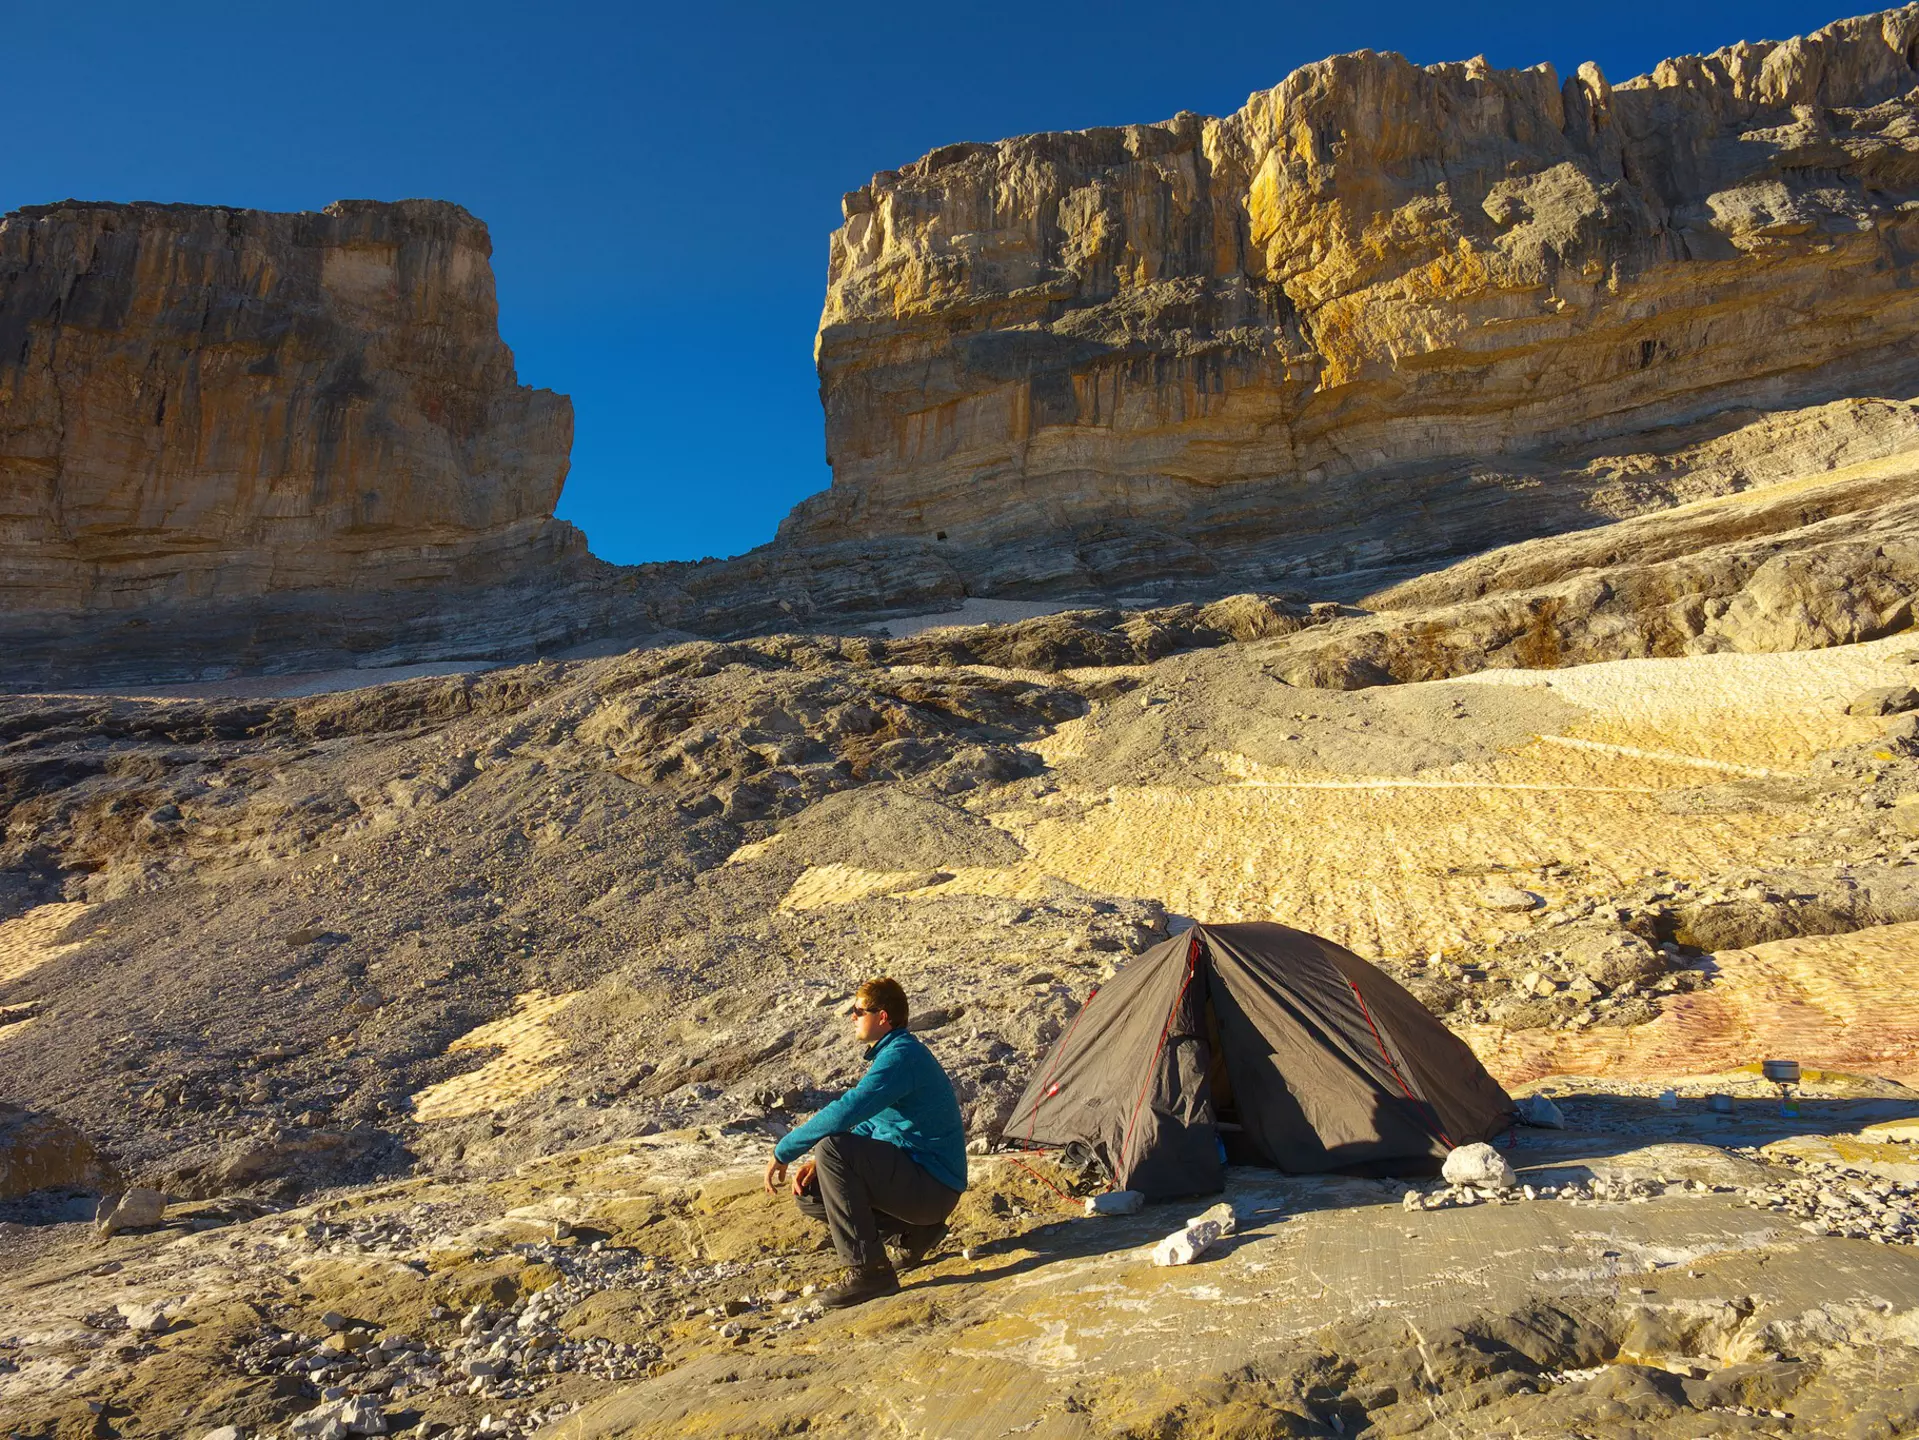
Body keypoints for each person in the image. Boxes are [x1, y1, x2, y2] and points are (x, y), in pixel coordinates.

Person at [762, 976, 967, 1308]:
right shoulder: (893, 1054)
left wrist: (784, 1150)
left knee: (832, 1148)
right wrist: (821, 1166)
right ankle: (913, 1236)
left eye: (859, 1010)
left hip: (934, 1188)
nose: (853, 1017)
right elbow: (872, 1121)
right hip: (922, 1187)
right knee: (813, 1193)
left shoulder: (902, 1056)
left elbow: (848, 1110)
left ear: (882, 1016)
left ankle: (870, 1272)